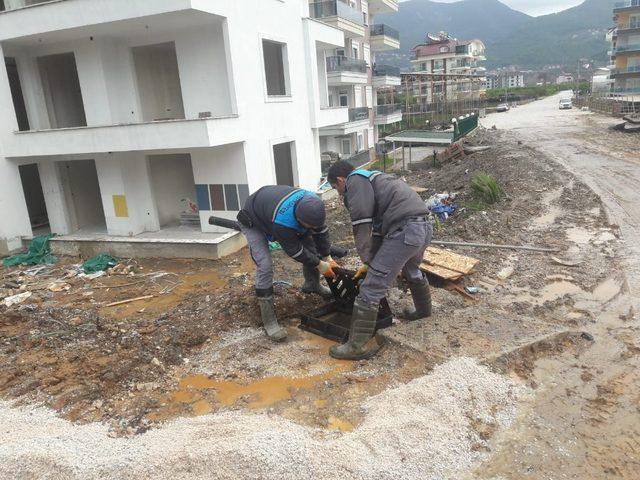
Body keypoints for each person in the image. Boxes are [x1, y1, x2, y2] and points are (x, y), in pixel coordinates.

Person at [326, 161, 433, 360]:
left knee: (371, 288)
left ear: (341, 180)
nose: (340, 194)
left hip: (404, 230)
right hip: (423, 227)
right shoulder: (374, 178)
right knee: (412, 271)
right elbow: (377, 229)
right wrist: (371, 260)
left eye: (336, 188)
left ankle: (356, 347)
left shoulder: (355, 181)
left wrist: (368, 262)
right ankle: (423, 312)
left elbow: (362, 224)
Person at [238, 186, 338, 342]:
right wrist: (319, 265)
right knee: (265, 265)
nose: (311, 228)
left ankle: (313, 285)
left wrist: (327, 256)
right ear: (298, 219)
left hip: (271, 210)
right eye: (308, 225)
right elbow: (295, 251)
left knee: (311, 248)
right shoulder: (283, 222)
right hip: (253, 220)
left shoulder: (313, 205)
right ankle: (269, 321)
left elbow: (320, 232)